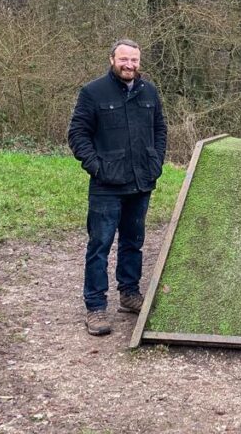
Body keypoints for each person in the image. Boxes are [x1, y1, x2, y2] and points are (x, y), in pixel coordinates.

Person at [68, 39, 167, 336]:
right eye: (124, 59)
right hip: (106, 185)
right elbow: (77, 134)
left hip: (140, 182)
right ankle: (96, 307)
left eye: (134, 60)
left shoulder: (149, 91)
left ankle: (129, 293)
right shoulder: (93, 92)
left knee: (133, 241)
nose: (129, 65)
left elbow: (160, 129)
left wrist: (155, 162)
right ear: (112, 59)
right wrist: (97, 167)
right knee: (99, 245)